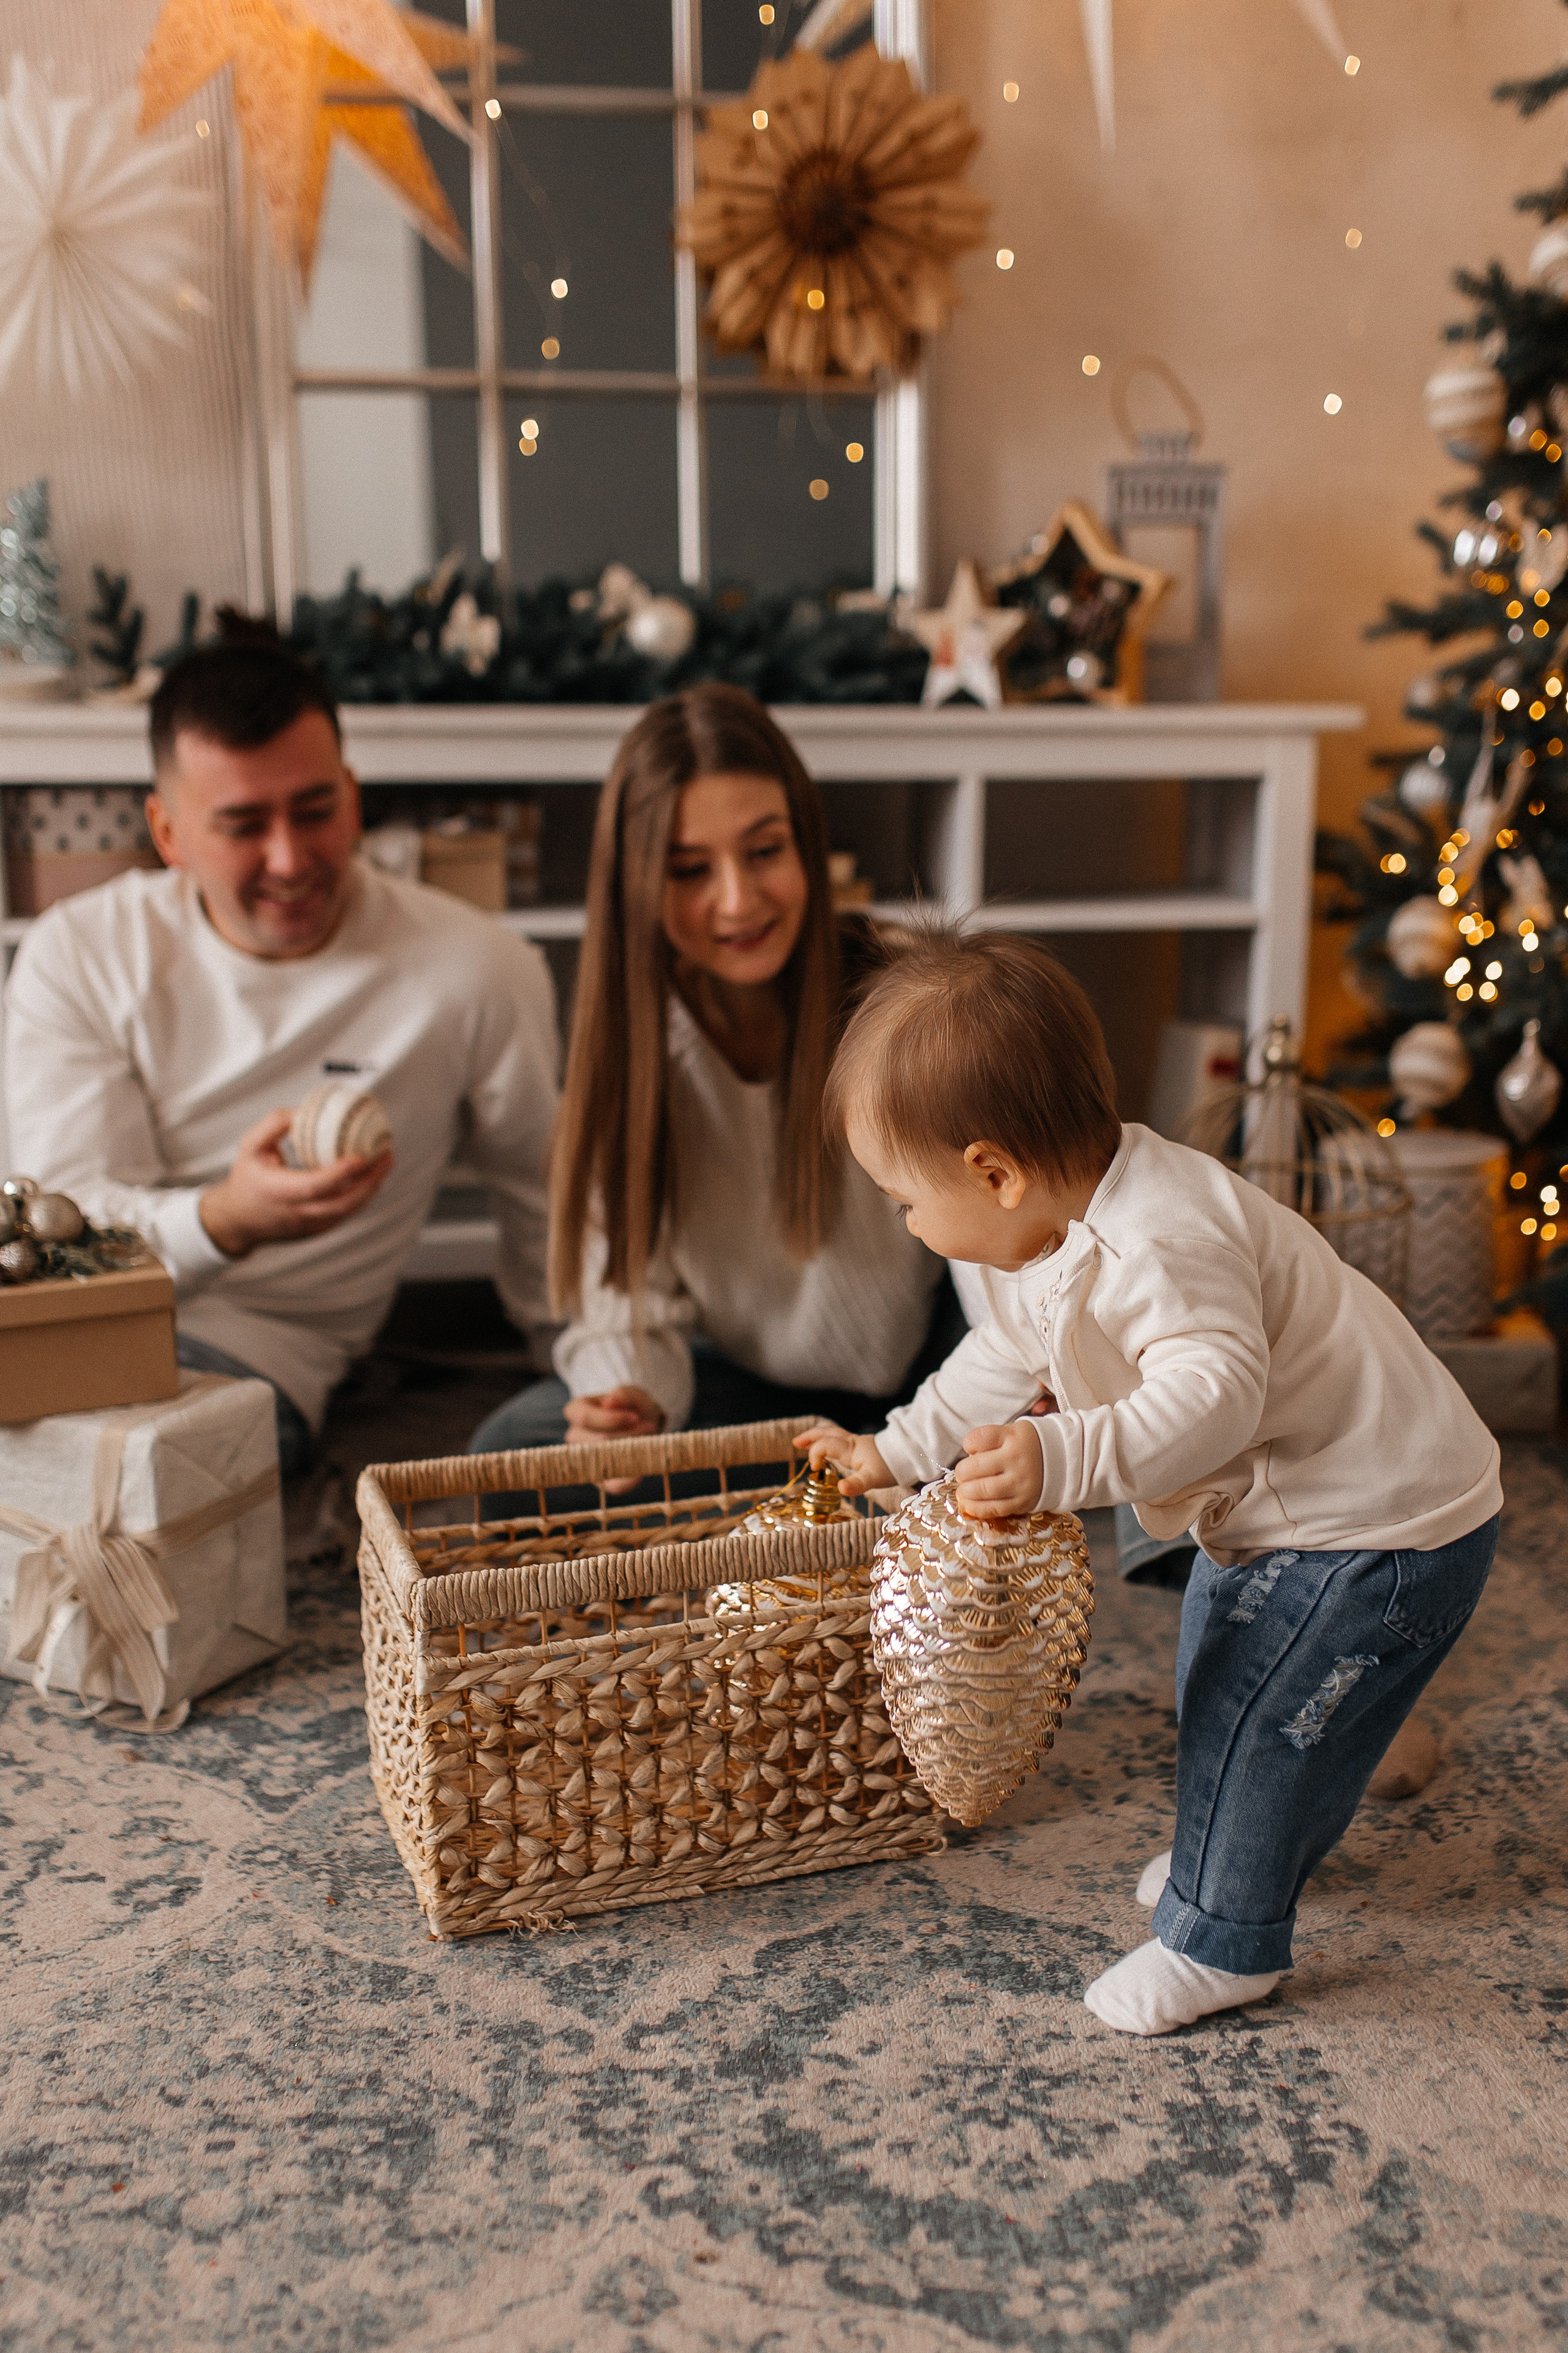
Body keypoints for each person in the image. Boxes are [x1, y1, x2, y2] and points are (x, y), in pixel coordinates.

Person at [797, 928, 1502, 2038]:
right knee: (1250, 1691)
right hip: (1313, 1513)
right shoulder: (1045, 1234)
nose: (909, 1224)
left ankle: (1222, 1938)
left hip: (1380, 1523)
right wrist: (894, 1448)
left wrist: (1062, 1459)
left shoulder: (1158, 1238)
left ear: (993, 1171)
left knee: (1250, 1706)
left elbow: (1215, 1393)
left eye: (902, 1199)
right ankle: (1244, 1839)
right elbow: (996, 1363)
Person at [3, 627, 558, 1478]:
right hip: (69, 1321)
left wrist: (593, 1376)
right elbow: (68, 1234)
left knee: (104, 1485)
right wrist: (226, 1219)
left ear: (353, 795)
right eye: (242, 824)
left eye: (314, 811)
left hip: (256, 1352)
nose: (290, 859)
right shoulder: (78, 952)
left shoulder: (477, 968)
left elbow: (548, 1199)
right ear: (168, 831)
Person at [469, 684, 954, 1466]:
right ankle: (849, 1505)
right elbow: (623, 1301)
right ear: (637, 884)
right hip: (766, 1396)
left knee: (1124, 1372)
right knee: (509, 1453)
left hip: (948, 1370)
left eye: (765, 851)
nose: (737, 900)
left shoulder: (905, 990)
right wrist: (629, 1402)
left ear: (805, 843)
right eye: (689, 869)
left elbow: (1022, 1221)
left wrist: (1013, 1371)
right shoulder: (636, 1051)